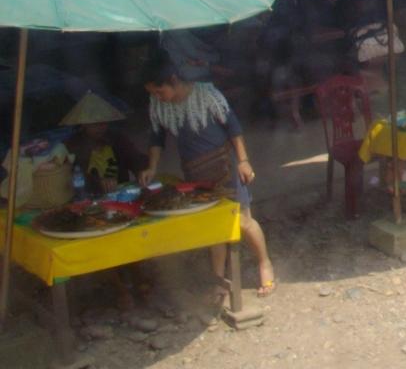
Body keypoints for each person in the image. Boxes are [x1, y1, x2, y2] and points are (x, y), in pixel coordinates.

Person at [138, 56, 276, 299]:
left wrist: (243, 161)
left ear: (173, 80)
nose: (157, 97)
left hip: (225, 168)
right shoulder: (159, 105)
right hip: (195, 174)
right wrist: (152, 167)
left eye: (160, 91)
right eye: (153, 93)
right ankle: (219, 280)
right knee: (213, 227)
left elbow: (233, 127)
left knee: (244, 222)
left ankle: (265, 263)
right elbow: (157, 138)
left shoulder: (207, 95)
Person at [61, 90, 151, 309]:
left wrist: (142, 170)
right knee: (101, 245)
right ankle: (120, 289)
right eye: (94, 124)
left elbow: (136, 158)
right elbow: (69, 177)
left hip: (121, 199)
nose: (100, 127)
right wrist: (95, 181)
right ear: (83, 125)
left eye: (103, 123)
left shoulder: (117, 139)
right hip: (90, 202)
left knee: (129, 239)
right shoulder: (72, 146)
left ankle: (139, 279)